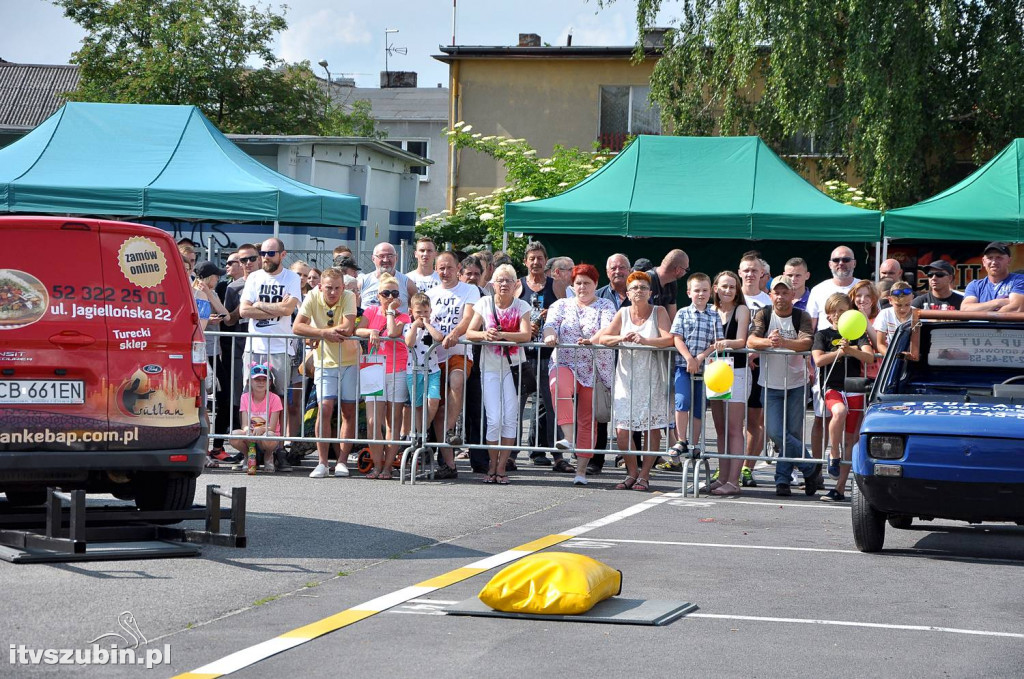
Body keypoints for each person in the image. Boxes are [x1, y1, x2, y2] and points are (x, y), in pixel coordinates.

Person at [593, 271, 673, 492]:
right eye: (635, 288)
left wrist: (645, 340)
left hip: (651, 376)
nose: (639, 291)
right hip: (626, 378)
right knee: (622, 430)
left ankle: (645, 475)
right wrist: (621, 337)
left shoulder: (659, 311)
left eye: (643, 287)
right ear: (628, 293)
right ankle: (632, 472)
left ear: (651, 292)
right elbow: (604, 338)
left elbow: (669, 338)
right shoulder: (623, 313)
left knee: (652, 427)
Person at [747, 275, 824, 497]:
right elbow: (752, 340)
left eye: (784, 292)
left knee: (791, 434)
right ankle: (810, 467)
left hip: (796, 384)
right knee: (775, 432)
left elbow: (806, 342)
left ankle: (782, 480)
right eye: (776, 292)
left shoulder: (802, 316)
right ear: (770, 295)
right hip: (769, 384)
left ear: (792, 295)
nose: (780, 297)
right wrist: (769, 342)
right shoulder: (764, 313)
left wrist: (783, 343)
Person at [542, 264, 616, 485]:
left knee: (588, 420)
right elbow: (550, 325)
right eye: (578, 283)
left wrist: (592, 340)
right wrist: (549, 336)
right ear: (572, 285)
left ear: (595, 284)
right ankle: (568, 437)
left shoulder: (605, 305)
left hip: (595, 368)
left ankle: (581, 471)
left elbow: (608, 329)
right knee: (559, 387)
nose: (582, 287)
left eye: (587, 283)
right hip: (565, 361)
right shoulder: (561, 305)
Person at [465, 264, 533, 484]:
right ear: (493, 284)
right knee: (494, 419)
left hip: (513, 368)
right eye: (500, 280)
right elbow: (470, 332)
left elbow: (526, 335)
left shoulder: (521, 305)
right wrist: (485, 333)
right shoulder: (484, 303)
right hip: (490, 367)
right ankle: (492, 464)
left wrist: (501, 334)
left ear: (516, 285)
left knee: (510, 419)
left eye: (508, 281)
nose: (504, 284)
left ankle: (501, 467)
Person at [292, 267, 359, 479]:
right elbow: (297, 327)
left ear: (343, 287)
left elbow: (348, 328)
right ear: (321, 286)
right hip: (324, 361)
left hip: (350, 360)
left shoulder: (349, 296)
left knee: (348, 411)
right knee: (325, 407)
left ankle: (342, 461)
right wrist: (323, 333)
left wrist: (318, 333)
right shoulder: (312, 296)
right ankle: (322, 463)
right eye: (329, 288)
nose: (333, 292)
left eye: (337, 288)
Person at [238, 238, 303, 456]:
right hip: (254, 346)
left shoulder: (291, 277)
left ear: (282, 255)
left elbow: (288, 310)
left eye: (271, 253)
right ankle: (250, 447)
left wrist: (259, 304)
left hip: (280, 347)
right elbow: (244, 311)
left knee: (280, 398)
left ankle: (278, 447)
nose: (265, 257)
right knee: (249, 395)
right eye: (263, 253)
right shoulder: (254, 277)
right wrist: (276, 307)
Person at [812, 293, 874, 501]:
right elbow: (818, 360)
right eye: (834, 312)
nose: (838, 315)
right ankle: (833, 452)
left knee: (852, 440)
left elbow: (868, 356)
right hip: (832, 387)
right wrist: (840, 352)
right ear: (828, 315)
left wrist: (851, 350)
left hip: (854, 388)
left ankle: (839, 488)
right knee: (839, 411)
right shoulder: (822, 335)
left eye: (842, 311)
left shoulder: (859, 334)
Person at [805, 246, 861, 472]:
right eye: (837, 259)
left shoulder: (861, 287)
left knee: (853, 426)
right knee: (820, 418)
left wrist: (852, 349)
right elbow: (811, 328)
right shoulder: (819, 289)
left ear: (854, 263)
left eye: (846, 259)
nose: (841, 263)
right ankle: (818, 470)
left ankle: (847, 472)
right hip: (826, 366)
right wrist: (809, 363)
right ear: (829, 264)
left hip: (854, 371)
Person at [428, 251, 481, 478]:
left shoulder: (469, 290)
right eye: (441, 267)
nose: (445, 272)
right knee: (439, 410)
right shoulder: (430, 292)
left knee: (457, 380)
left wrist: (454, 334)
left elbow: (468, 318)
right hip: (434, 355)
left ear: (458, 268)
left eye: (449, 267)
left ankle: (450, 431)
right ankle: (449, 465)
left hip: (459, 352)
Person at [355, 273, 410, 479]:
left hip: (398, 368)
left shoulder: (403, 315)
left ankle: (388, 466)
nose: (389, 296)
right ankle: (377, 466)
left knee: (393, 421)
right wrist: (371, 331)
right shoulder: (369, 310)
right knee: (372, 421)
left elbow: (395, 332)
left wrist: (389, 312)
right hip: (373, 366)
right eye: (385, 293)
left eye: (394, 293)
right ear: (378, 295)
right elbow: (357, 330)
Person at [515, 241, 562, 468]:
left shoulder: (556, 286)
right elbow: (508, 314)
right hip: (522, 356)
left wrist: (551, 315)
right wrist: (522, 327)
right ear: (525, 261)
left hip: (548, 355)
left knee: (551, 406)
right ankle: (510, 454)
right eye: (531, 258)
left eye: (540, 258)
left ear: (546, 262)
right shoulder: (517, 286)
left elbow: (566, 315)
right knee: (517, 406)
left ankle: (557, 455)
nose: (536, 262)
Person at [668, 273, 723, 465]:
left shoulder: (715, 315)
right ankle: (681, 440)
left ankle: (694, 442)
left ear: (711, 292)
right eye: (697, 290)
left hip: (705, 368)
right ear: (689, 292)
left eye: (705, 290)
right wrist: (689, 358)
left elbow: (716, 342)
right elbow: (677, 338)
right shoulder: (683, 313)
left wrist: (700, 357)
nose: (701, 294)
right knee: (682, 401)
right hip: (684, 366)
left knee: (699, 408)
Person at [706, 271, 750, 496]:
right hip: (715, 372)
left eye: (732, 287)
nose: (728, 290)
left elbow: (741, 340)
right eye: (724, 286)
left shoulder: (741, 310)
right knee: (721, 428)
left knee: (734, 428)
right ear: (715, 288)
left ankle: (734, 480)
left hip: (738, 372)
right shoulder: (711, 310)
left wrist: (724, 343)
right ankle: (722, 476)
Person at [737, 254, 769, 486]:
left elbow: (771, 335)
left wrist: (755, 352)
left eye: (754, 271)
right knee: (730, 421)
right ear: (740, 272)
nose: (750, 274)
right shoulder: (729, 295)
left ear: (762, 275)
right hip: (731, 367)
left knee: (754, 422)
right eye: (746, 270)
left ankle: (747, 468)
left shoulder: (768, 301)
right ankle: (730, 466)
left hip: (759, 367)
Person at [405, 293, 444, 453]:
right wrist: (415, 325)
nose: (422, 316)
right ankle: (419, 434)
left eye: (425, 312)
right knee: (418, 406)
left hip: (432, 370)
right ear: (411, 312)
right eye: (419, 313)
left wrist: (427, 324)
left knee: (433, 400)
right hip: (413, 372)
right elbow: (409, 342)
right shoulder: (408, 327)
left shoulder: (434, 325)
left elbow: (439, 338)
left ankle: (423, 430)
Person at [228, 363, 284, 472]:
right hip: (251, 434)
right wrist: (247, 429)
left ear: (270, 383)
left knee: (270, 436)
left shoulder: (275, 398)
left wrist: (262, 429)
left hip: (267, 434)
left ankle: (268, 456)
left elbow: (272, 427)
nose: (261, 382)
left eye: (264, 380)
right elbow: (244, 424)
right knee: (234, 435)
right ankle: (248, 455)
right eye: (257, 379)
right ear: (249, 382)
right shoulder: (245, 397)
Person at [961, 242, 1024, 312]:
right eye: (990, 258)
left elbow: (1016, 308)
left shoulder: (1019, 280)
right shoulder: (975, 285)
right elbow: (965, 309)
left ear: (1009, 261)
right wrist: (998, 302)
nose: (994, 262)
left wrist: (980, 311)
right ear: (983, 261)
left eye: (999, 258)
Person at [358, 242, 418, 314]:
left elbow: (417, 310)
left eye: (390, 256)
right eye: (381, 256)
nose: (386, 260)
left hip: (398, 324)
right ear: (373, 258)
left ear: (396, 258)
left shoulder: (407, 283)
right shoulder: (362, 282)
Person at [848, 279, 882, 380]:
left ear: (874, 299)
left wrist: (866, 321)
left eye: (868, 296)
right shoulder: (848, 318)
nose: (862, 299)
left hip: (877, 375)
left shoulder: (881, 317)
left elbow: (879, 346)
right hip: (855, 374)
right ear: (853, 297)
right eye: (858, 295)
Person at [646, 249, 690, 318]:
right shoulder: (646, 280)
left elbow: (672, 317)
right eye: (687, 269)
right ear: (678, 270)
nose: (686, 273)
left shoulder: (672, 283)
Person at [874, 281, 914, 355]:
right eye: (898, 305)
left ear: (912, 298)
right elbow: (880, 345)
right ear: (890, 300)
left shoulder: (919, 315)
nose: (903, 309)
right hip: (893, 356)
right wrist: (893, 357)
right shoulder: (885, 313)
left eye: (907, 305)